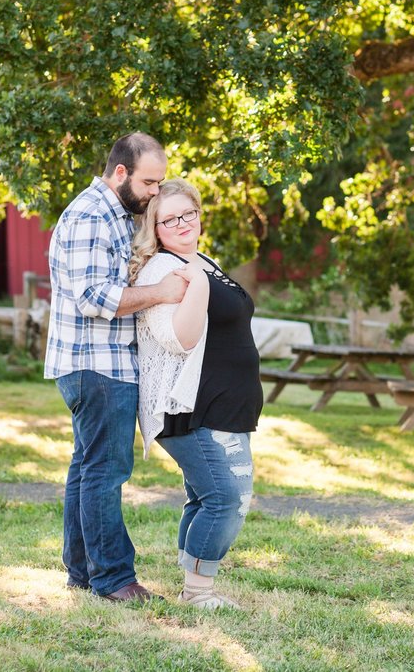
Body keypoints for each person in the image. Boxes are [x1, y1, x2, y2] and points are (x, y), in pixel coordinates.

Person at [44, 132, 192, 603]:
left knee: (87, 468)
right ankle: (113, 580)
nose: (154, 193)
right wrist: (163, 293)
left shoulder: (110, 215)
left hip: (92, 365)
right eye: (150, 182)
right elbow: (93, 298)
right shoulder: (92, 215)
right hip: (97, 366)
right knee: (106, 471)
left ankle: (83, 572)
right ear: (121, 173)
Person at [129, 178, 262, 610]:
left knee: (210, 497)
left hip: (224, 407)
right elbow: (179, 339)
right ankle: (197, 593)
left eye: (188, 213)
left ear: (199, 213)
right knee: (225, 498)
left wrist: (204, 277)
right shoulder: (164, 270)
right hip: (190, 409)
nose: (182, 223)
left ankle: (194, 581)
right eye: (169, 219)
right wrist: (200, 286)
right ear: (156, 228)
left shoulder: (200, 259)